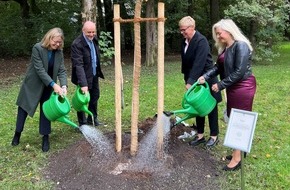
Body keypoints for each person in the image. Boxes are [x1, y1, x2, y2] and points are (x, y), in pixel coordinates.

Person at [198, 19, 257, 171]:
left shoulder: (241, 46)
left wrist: (221, 84)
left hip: (243, 86)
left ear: (229, 30)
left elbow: (240, 71)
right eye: (216, 34)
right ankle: (239, 151)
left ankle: (237, 158)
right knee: (233, 117)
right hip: (232, 86)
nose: (218, 36)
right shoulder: (226, 48)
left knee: (239, 120)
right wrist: (205, 75)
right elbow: (218, 67)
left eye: (220, 33)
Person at [11, 28, 68, 152]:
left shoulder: (59, 52)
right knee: (23, 108)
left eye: (59, 42)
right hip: (33, 85)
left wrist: (63, 85)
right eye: (55, 41)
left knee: (46, 110)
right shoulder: (37, 48)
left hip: (48, 87)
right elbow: (40, 70)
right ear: (49, 38)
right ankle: (17, 133)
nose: (57, 44)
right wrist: (54, 84)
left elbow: (62, 70)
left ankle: (45, 137)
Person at [178, 16, 222, 147]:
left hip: (207, 78)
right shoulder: (185, 42)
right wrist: (187, 78)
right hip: (193, 77)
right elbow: (186, 62)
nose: (182, 33)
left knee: (210, 106)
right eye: (180, 30)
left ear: (192, 28)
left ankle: (214, 136)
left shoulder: (201, 41)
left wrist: (191, 81)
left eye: (184, 30)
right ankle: (200, 135)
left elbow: (199, 63)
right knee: (197, 106)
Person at [71, 21, 104, 127]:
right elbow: (78, 65)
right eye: (89, 32)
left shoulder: (94, 39)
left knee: (95, 96)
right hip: (83, 76)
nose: (91, 34)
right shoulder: (77, 44)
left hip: (94, 74)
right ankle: (83, 123)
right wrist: (83, 84)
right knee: (82, 100)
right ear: (83, 31)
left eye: (93, 32)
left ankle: (92, 118)